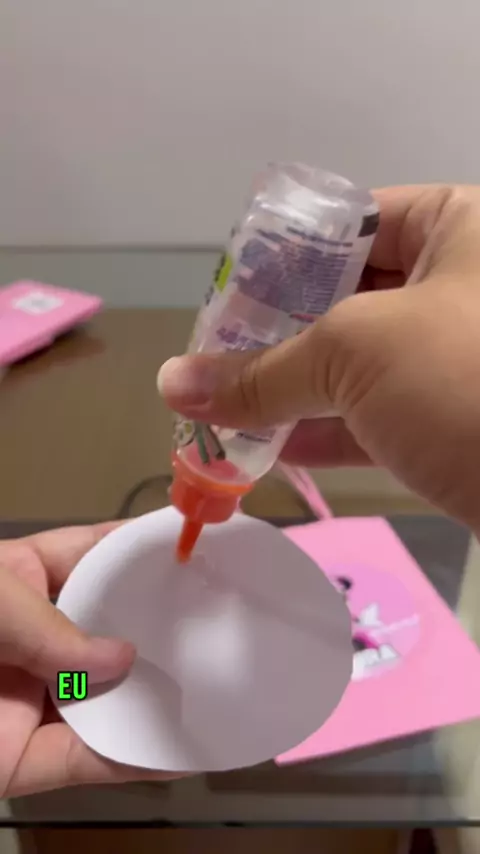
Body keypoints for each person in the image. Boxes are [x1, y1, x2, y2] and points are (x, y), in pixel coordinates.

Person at [1, 182, 480, 798]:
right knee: (73, 683)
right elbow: (68, 689)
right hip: (85, 688)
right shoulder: (75, 675)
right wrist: (74, 678)